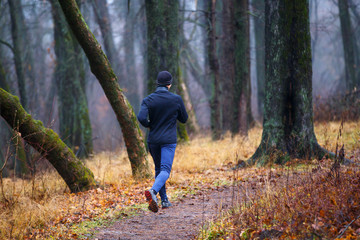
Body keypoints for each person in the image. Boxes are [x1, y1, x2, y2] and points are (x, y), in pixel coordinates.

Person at [137, 71, 188, 213]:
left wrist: (149, 125)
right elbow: (184, 119)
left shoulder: (148, 100)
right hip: (168, 141)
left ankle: (164, 200)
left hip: (153, 140)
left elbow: (141, 117)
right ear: (169, 84)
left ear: (157, 84)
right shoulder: (176, 99)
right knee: (165, 170)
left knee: (159, 169)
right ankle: (153, 191)